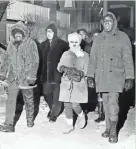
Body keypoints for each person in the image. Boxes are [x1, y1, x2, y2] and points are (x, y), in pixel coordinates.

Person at [87, 12, 134, 143]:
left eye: (109, 21)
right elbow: (92, 60)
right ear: (102, 23)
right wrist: (90, 76)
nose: (107, 23)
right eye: (105, 21)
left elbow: (128, 59)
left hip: (116, 76)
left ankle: (113, 130)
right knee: (106, 103)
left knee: (113, 103)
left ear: (114, 22)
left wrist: (130, 77)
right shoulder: (98, 38)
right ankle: (108, 127)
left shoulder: (122, 37)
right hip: (102, 77)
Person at [0, 21, 39, 132]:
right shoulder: (11, 45)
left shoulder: (31, 44)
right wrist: (3, 74)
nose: (17, 35)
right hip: (13, 78)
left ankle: (30, 121)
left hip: (26, 78)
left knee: (29, 100)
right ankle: (9, 124)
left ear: (24, 33)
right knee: (10, 100)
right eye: (15, 33)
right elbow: (6, 60)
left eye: (20, 33)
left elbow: (35, 61)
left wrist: (31, 77)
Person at [57, 32, 89, 134]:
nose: (74, 44)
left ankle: (81, 115)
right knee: (67, 104)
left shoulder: (85, 56)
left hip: (78, 83)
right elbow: (59, 66)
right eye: (72, 42)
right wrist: (63, 68)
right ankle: (69, 125)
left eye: (76, 42)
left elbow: (87, 70)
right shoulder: (65, 54)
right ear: (69, 43)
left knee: (75, 104)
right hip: (66, 83)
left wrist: (79, 73)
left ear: (79, 42)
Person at [40, 23, 69, 122]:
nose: (49, 33)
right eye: (47, 31)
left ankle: (54, 115)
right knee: (46, 93)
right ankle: (53, 109)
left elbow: (67, 58)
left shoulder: (63, 44)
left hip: (57, 74)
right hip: (46, 75)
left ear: (55, 32)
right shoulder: (43, 45)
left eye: (51, 31)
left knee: (57, 96)